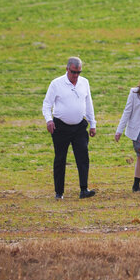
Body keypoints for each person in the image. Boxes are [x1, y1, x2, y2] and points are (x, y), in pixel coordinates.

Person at [42, 56, 97, 199]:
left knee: (83, 156)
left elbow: (88, 103)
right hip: (60, 127)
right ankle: (59, 192)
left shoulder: (84, 83)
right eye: (73, 72)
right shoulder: (56, 84)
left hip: (79, 126)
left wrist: (93, 124)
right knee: (60, 159)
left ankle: (84, 189)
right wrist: (49, 120)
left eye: (79, 72)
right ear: (67, 69)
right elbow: (47, 104)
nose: (76, 76)